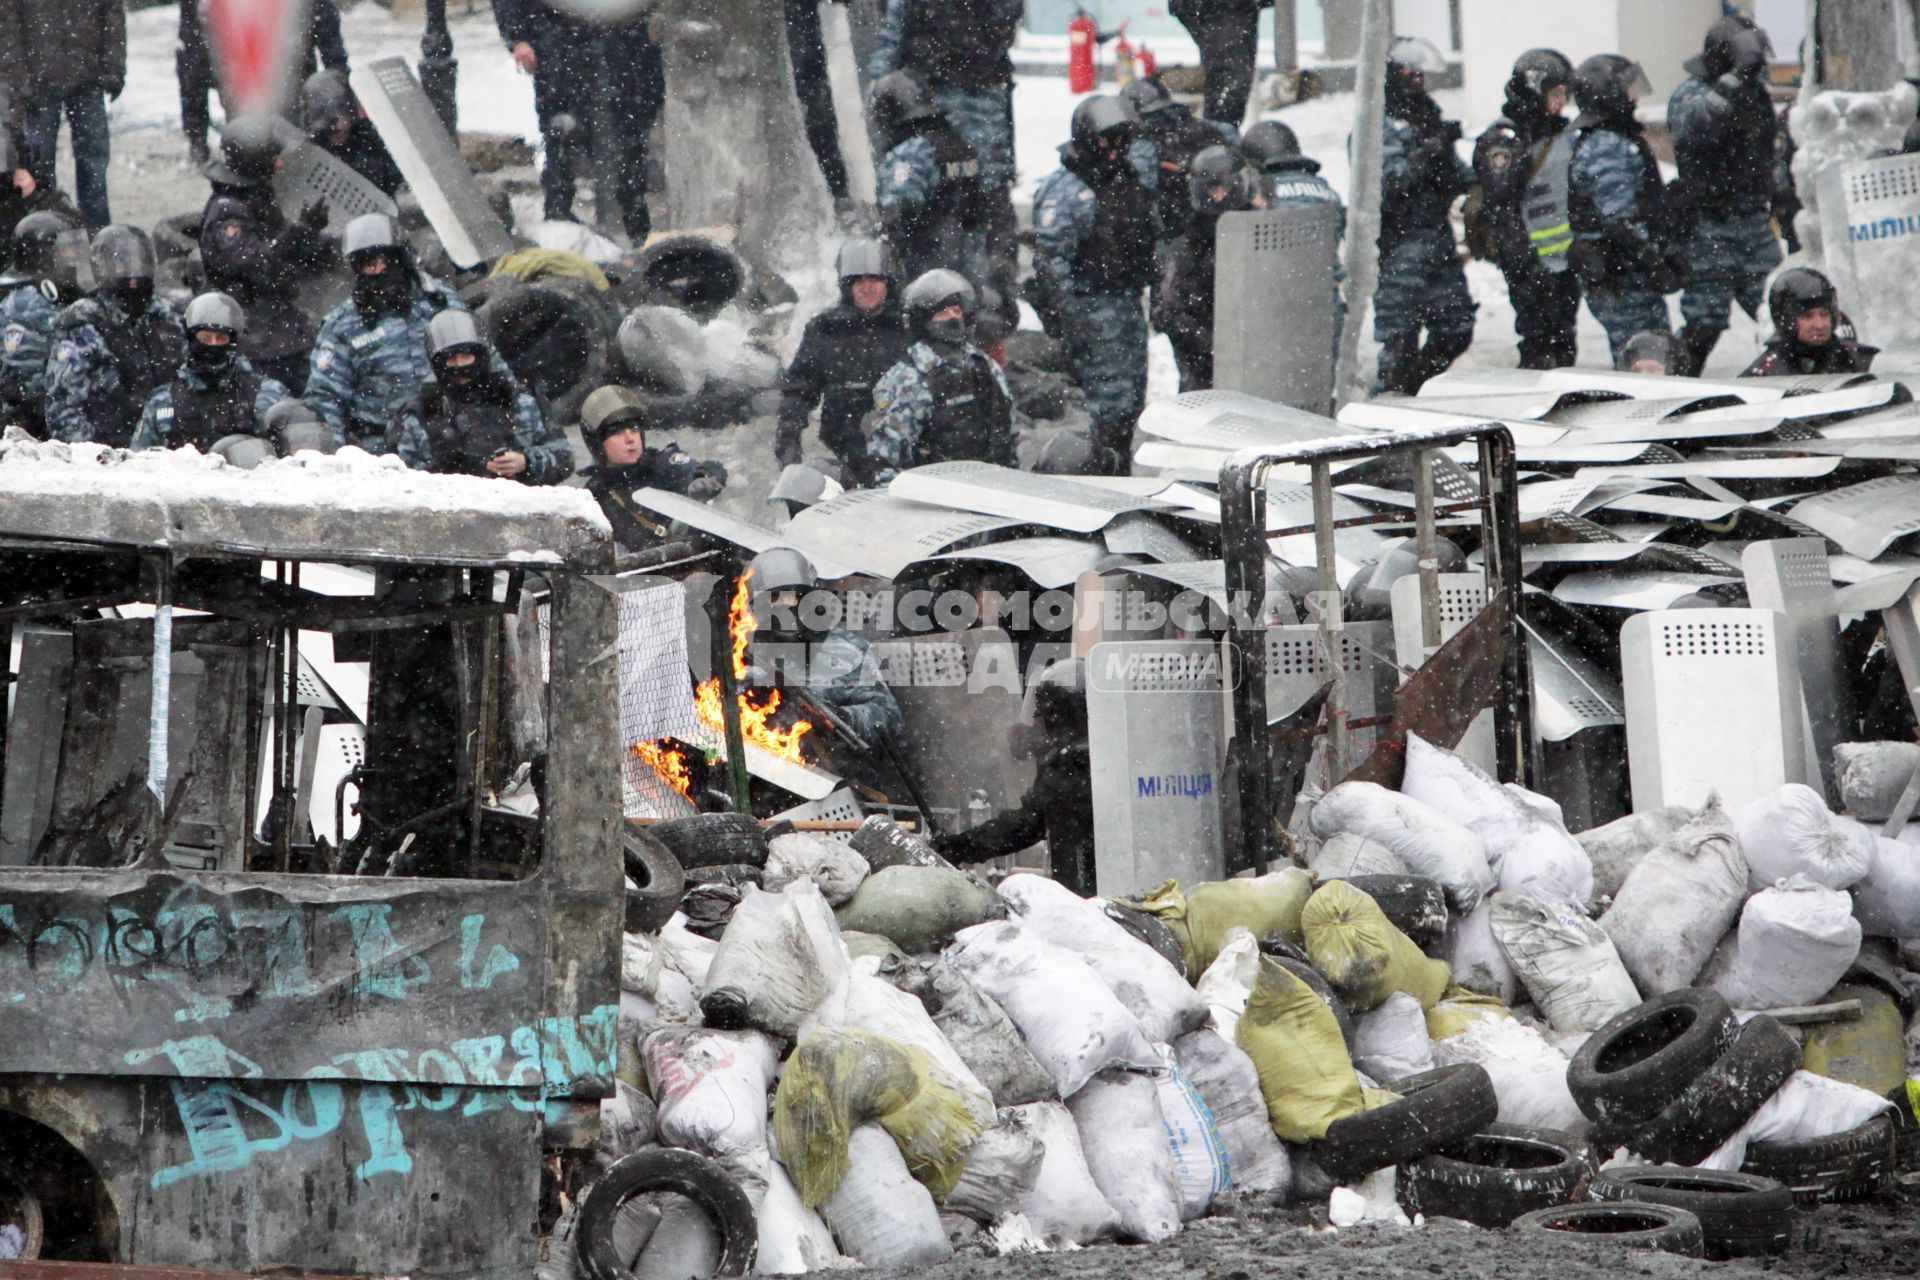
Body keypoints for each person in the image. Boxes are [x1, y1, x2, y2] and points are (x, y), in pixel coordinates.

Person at [1033, 96, 1156, 469]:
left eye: (1122, 142)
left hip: (1128, 307)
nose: (1116, 151)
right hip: (1091, 310)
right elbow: (1052, 264)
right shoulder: (1066, 190)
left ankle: (1118, 470)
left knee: (1131, 405)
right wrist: (1073, 321)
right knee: (1104, 410)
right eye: (1108, 142)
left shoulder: (1128, 179)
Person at [868, 0, 1023, 292]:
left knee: (984, 194)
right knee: (916, 190)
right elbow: (891, 37)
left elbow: (1004, 21)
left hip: (981, 96)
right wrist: (881, 85)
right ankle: (915, 283)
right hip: (926, 96)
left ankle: (992, 287)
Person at [1670, 14, 1782, 376]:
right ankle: (1678, 385)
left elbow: (1767, 150)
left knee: (1775, 308)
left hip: (1752, 220)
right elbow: (1696, 130)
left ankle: (1801, 377)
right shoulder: (1692, 93)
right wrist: (1730, 84)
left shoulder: (1755, 95)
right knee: (1706, 319)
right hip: (1709, 225)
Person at [306, 212, 469, 452]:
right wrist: (337, 457)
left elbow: (484, 358)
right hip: (380, 448)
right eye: (369, 265)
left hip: (448, 439)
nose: (380, 270)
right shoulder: (342, 325)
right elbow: (325, 398)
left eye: (385, 260)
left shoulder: (441, 302)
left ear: (400, 258)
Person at [932, 659, 1093, 894]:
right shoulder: (1100, 758)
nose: (1037, 726)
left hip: (1088, 906)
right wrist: (961, 846)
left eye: (1044, 718)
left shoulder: (1071, 769)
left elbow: (1024, 826)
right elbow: (1024, 825)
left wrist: (960, 846)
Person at [1372, 36, 1475, 395]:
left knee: (1456, 328)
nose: (1417, 81)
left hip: (1437, 239)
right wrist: (1425, 155)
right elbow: (1388, 182)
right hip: (1400, 244)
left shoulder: (1427, 117)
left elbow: (1458, 176)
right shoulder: (1377, 123)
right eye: (1410, 74)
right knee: (1399, 342)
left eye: (1420, 75)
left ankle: (1418, 387)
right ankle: (1390, 407)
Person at [200, 116, 331, 394]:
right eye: (274, 158)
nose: (280, 164)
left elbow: (290, 262)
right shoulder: (227, 215)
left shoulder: (257, 199)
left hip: (283, 329)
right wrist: (298, 234)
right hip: (256, 341)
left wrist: (310, 234)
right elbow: (259, 267)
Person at [1472, 49, 1581, 370]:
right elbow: (1501, 206)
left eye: (1565, 94)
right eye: (1555, 93)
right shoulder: (1505, 138)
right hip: (1529, 260)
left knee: (1563, 340)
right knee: (1539, 343)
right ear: (1535, 89)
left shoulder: (1556, 131)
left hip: (1561, 259)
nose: (1561, 101)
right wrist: (1524, 263)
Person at [1567, 55, 1677, 361]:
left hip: (1628, 270)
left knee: (1654, 350)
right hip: (1621, 273)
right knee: (1643, 356)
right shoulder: (1606, 144)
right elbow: (1619, 221)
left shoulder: (1617, 136)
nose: (1636, 97)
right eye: (1628, 89)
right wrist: (1654, 261)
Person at [778, 236, 911, 482]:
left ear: (888, 283)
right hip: (843, 448)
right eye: (858, 281)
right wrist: (789, 436)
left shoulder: (907, 327)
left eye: (874, 280)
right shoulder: (826, 329)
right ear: (846, 286)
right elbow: (799, 387)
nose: (867, 287)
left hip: (905, 450)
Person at [867, 268, 1016, 484]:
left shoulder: (984, 366)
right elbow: (887, 459)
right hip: (933, 498)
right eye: (943, 312)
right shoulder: (908, 378)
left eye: (956, 310)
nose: (953, 318)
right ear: (924, 320)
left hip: (992, 487)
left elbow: (1007, 430)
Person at [388, 309, 571, 483]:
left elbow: (563, 457)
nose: (460, 365)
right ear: (438, 363)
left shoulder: (520, 402)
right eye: (451, 359)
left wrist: (526, 462)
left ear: (481, 355)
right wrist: (439, 474)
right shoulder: (419, 415)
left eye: (467, 356)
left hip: (516, 506)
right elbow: (398, 478)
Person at [745, 547, 905, 746]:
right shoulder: (744, 653)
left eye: (791, 596)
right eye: (774, 598)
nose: (783, 606)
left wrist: (838, 719)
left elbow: (889, 717)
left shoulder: (848, 651)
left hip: (832, 769)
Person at [44, 226, 186, 445]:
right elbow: (63, 407)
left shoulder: (169, 318)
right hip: (112, 451)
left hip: (170, 447)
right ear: (102, 267)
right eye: (121, 265)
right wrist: (97, 458)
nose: (132, 274)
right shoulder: (84, 322)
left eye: (139, 262)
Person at [180, 0, 348, 168]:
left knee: (276, 165)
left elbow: (333, 54)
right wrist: (197, 139)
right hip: (247, 101)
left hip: (284, 97)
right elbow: (192, 65)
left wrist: (338, 108)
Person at [0, 0, 124, 228]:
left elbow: (112, 11)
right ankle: (46, 237)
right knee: (41, 171)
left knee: (91, 166)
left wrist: (114, 65)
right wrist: (17, 75)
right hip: (44, 77)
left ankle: (94, 235)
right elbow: (8, 21)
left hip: (82, 73)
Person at [871, 71, 989, 288]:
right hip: (968, 271)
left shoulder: (910, 154)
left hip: (925, 274)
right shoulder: (960, 146)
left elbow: (897, 211)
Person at [132, 292, 291, 452]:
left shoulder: (268, 396)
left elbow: (287, 456)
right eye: (206, 338)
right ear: (192, 339)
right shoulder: (162, 402)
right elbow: (141, 464)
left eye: (221, 338)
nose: (213, 345)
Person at [1155, 145, 1258, 391]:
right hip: (1205, 363)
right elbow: (1169, 311)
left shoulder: (1261, 229)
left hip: (1257, 355)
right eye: (1213, 190)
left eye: (1226, 188)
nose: (1220, 197)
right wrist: (1212, 345)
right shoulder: (1189, 244)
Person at [578, 384, 727, 548]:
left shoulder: (660, 465)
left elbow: (697, 469)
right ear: (598, 444)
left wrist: (703, 479)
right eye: (618, 432)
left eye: (634, 430)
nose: (630, 439)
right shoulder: (592, 498)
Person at [495, 0, 596, 225]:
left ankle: (567, 204)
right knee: (559, 127)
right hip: (552, 41)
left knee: (585, 125)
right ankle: (558, 206)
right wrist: (518, 38)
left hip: (584, 39)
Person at [1121, 76, 1236, 249]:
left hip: (1178, 237)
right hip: (1225, 228)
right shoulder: (1212, 129)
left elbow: (1141, 198)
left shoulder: (1141, 146)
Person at [0, 210, 86, 435]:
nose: (74, 257)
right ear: (42, 255)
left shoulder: (65, 296)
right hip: (29, 427)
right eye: (67, 250)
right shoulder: (22, 305)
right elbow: (24, 385)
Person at [1742, 268, 1876, 377]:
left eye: (1824, 314)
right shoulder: (1764, 374)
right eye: (1807, 316)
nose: (1820, 325)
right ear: (1785, 320)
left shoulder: (1859, 359)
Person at [300, 69, 404, 199]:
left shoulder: (367, 134)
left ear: (351, 113)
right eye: (327, 122)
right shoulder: (311, 150)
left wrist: (375, 171)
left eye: (341, 117)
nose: (336, 128)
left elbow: (401, 171)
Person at [785, 0, 850, 203]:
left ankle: (835, 190)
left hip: (805, 50)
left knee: (817, 118)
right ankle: (833, 189)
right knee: (816, 118)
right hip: (799, 49)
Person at [1169, 0, 1270, 126]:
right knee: (1228, 87)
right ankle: (1218, 133)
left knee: (1231, 89)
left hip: (1233, 20)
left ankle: (1219, 133)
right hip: (1221, 21)